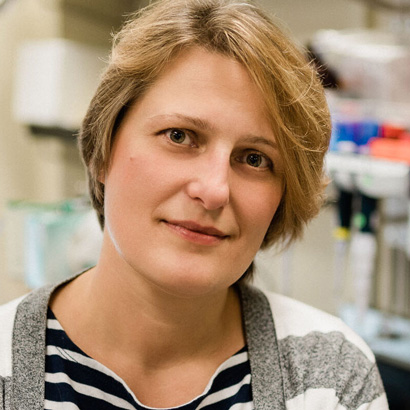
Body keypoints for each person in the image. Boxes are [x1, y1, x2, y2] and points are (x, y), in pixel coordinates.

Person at [0, 0, 388, 409]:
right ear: (103, 151)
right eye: (180, 136)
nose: (215, 189)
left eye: (255, 159)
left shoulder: (330, 378)